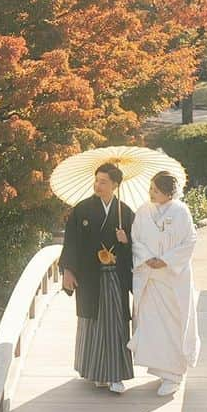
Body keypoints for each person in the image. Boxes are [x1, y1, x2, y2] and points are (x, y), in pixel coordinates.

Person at [59, 162, 134, 393]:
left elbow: (137, 247)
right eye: (97, 180)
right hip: (89, 276)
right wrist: (68, 271)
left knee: (114, 324)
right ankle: (95, 371)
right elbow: (71, 242)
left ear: (115, 185)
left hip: (114, 276)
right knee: (92, 323)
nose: (98, 185)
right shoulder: (81, 210)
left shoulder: (125, 212)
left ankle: (115, 375)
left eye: (103, 182)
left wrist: (126, 240)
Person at [128, 171, 199, 397]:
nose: (151, 193)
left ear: (169, 192)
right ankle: (161, 370)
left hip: (172, 278)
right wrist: (148, 258)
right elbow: (136, 239)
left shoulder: (181, 211)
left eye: (156, 190)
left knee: (174, 322)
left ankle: (175, 375)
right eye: (151, 189)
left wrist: (166, 260)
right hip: (150, 276)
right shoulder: (143, 211)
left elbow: (190, 241)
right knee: (153, 326)